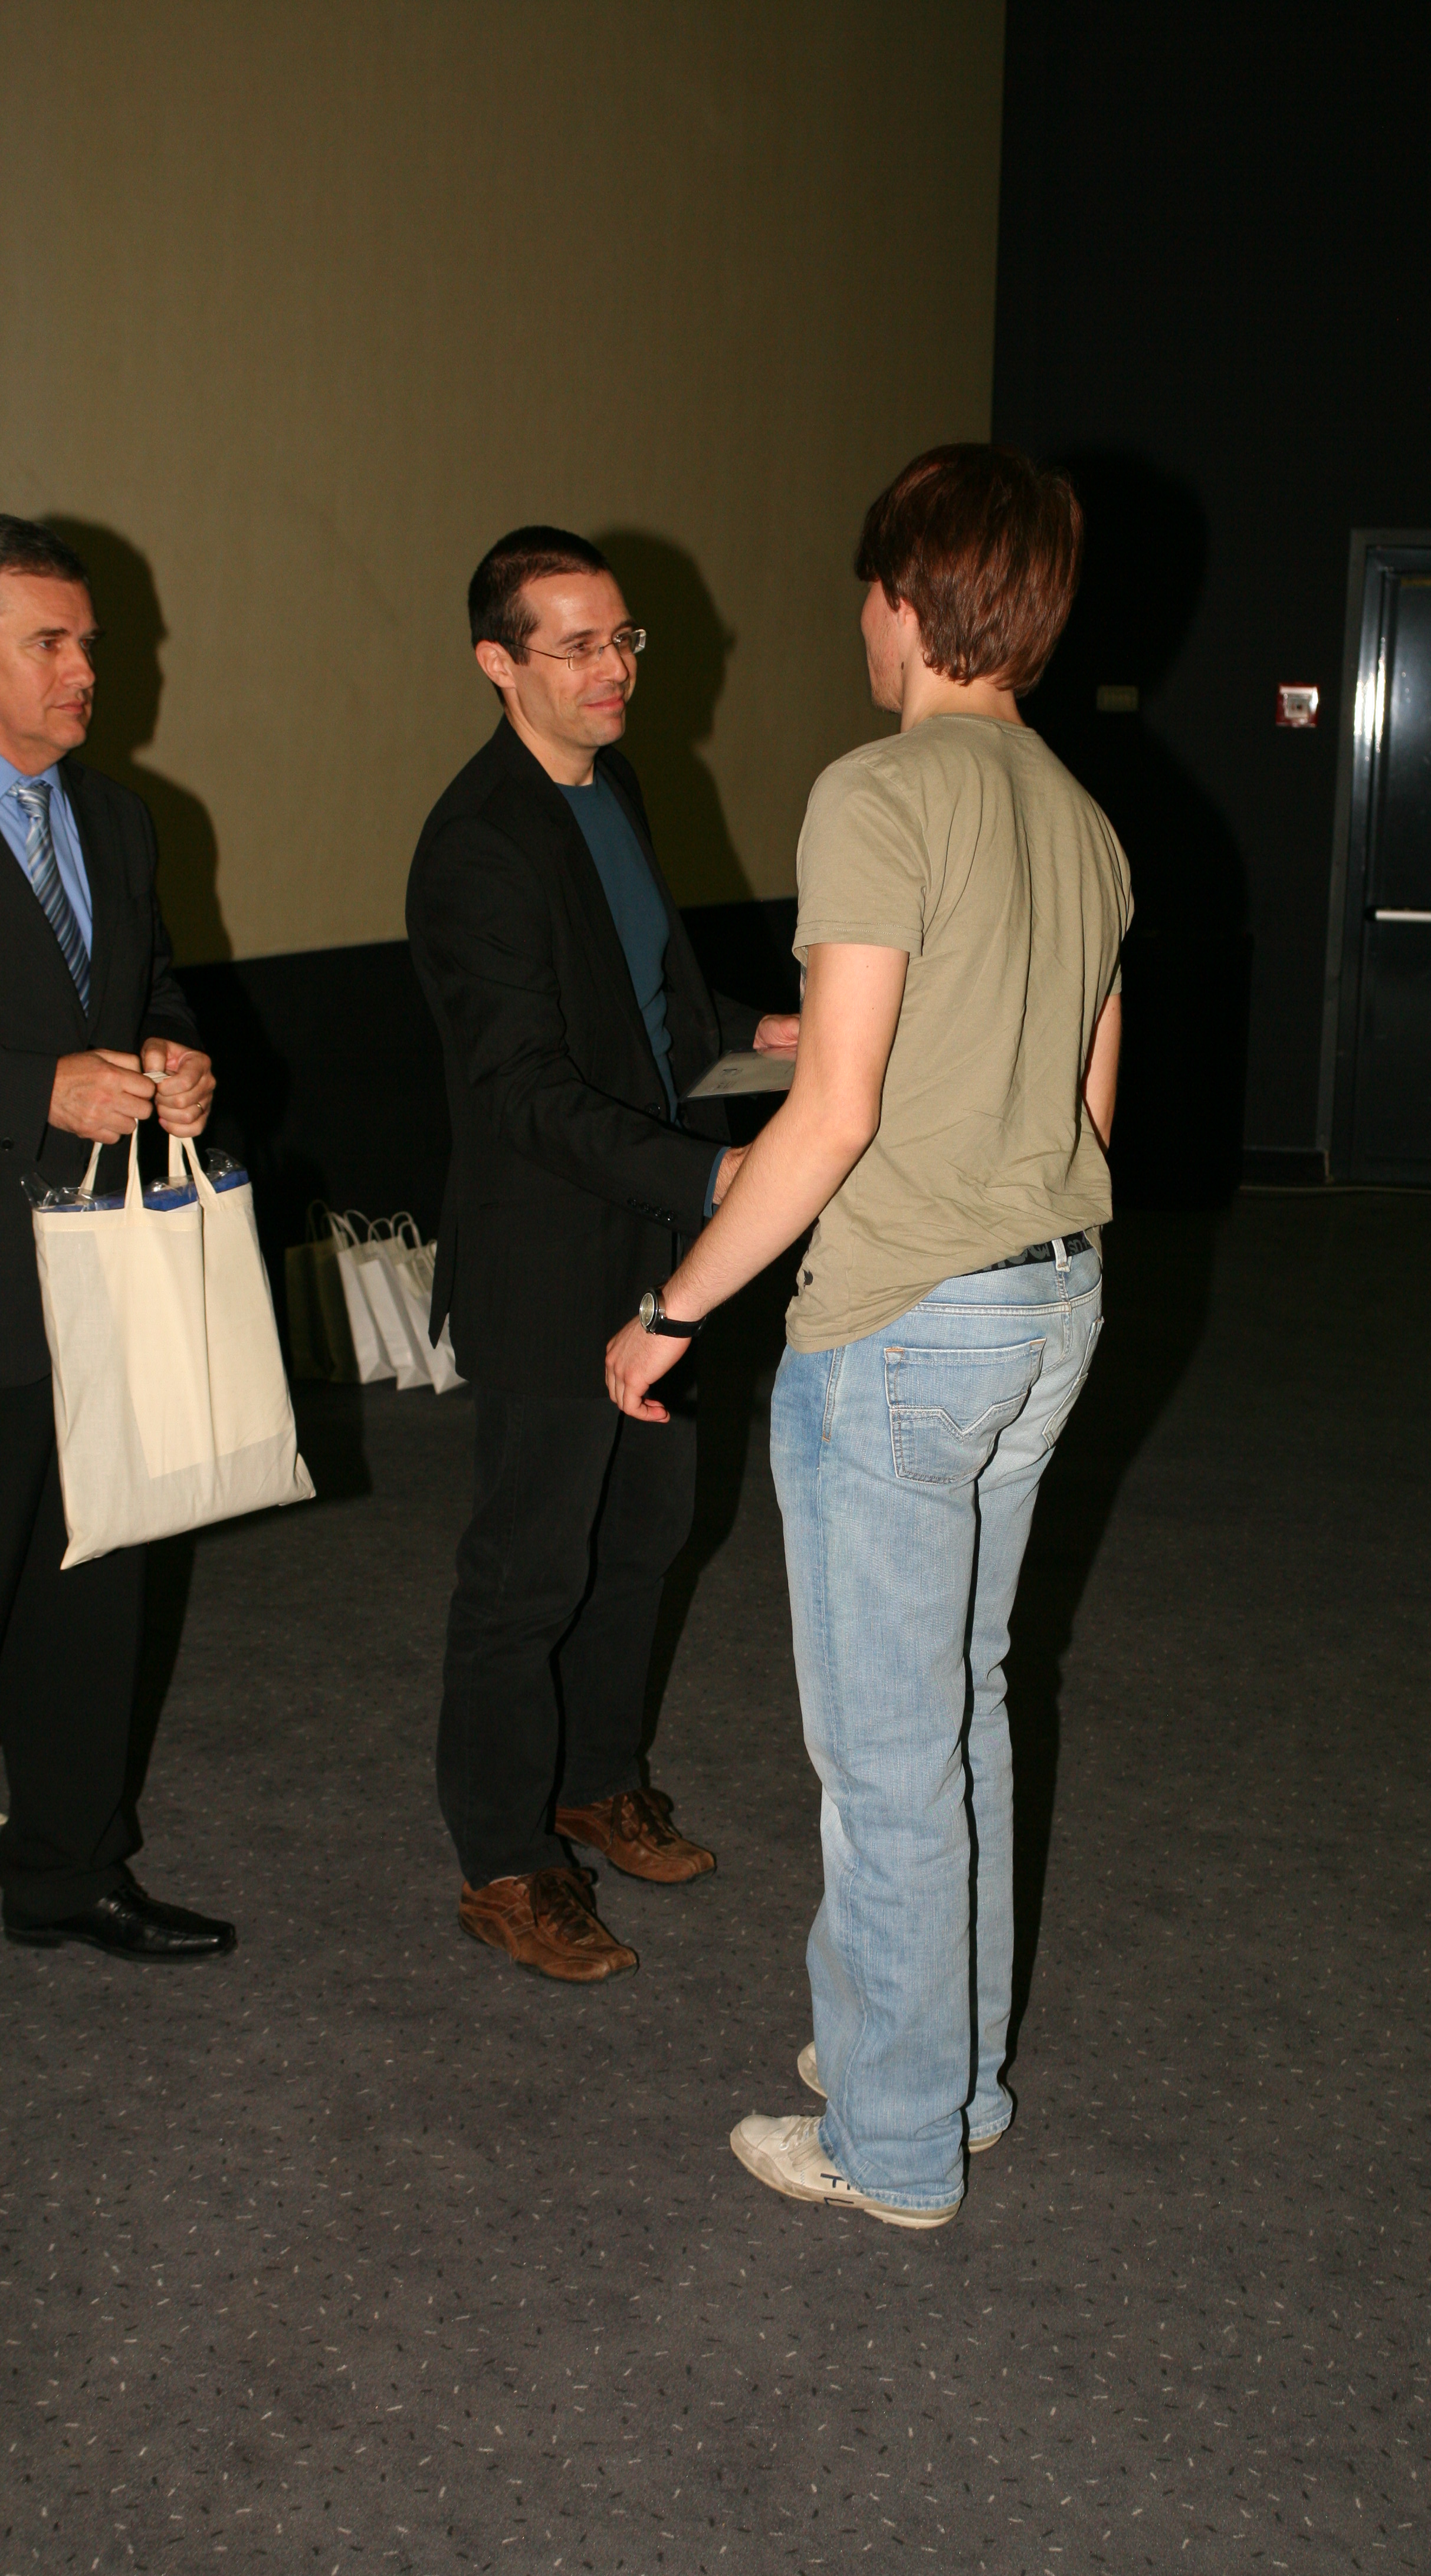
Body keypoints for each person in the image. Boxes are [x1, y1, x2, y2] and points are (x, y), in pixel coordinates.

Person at [607, 445, 1132, 2225]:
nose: (862, 621)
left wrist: (672, 1309)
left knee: (887, 1761)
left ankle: (895, 2146)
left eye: (868, 591)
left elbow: (829, 1116)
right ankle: (940, 2070)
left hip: (905, 1327)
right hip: (1050, 1302)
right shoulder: (1082, 817)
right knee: (961, 1713)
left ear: (909, 599)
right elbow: (1088, 1111)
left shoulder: (880, 792)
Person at [408, 527, 796, 1983]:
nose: (612, 667)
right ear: (496, 663)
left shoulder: (614, 785)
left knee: (641, 1537)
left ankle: (594, 1783)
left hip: (655, 1246)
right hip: (547, 1266)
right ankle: (504, 1864)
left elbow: (654, 1009)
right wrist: (719, 1172)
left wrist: (766, 1037)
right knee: (528, 1572)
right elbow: (523, 1091)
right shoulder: (478, 845)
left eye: (622, 637)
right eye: (574, 645)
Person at [0, 515, 231, 1960]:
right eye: (50, 642)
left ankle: (68, 1871)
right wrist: (34, 1088)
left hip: (101, 1274)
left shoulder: (122, 820)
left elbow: (153, 991)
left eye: (89, 641)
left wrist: (176, 1057)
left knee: (90, 1595)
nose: (89, 669)